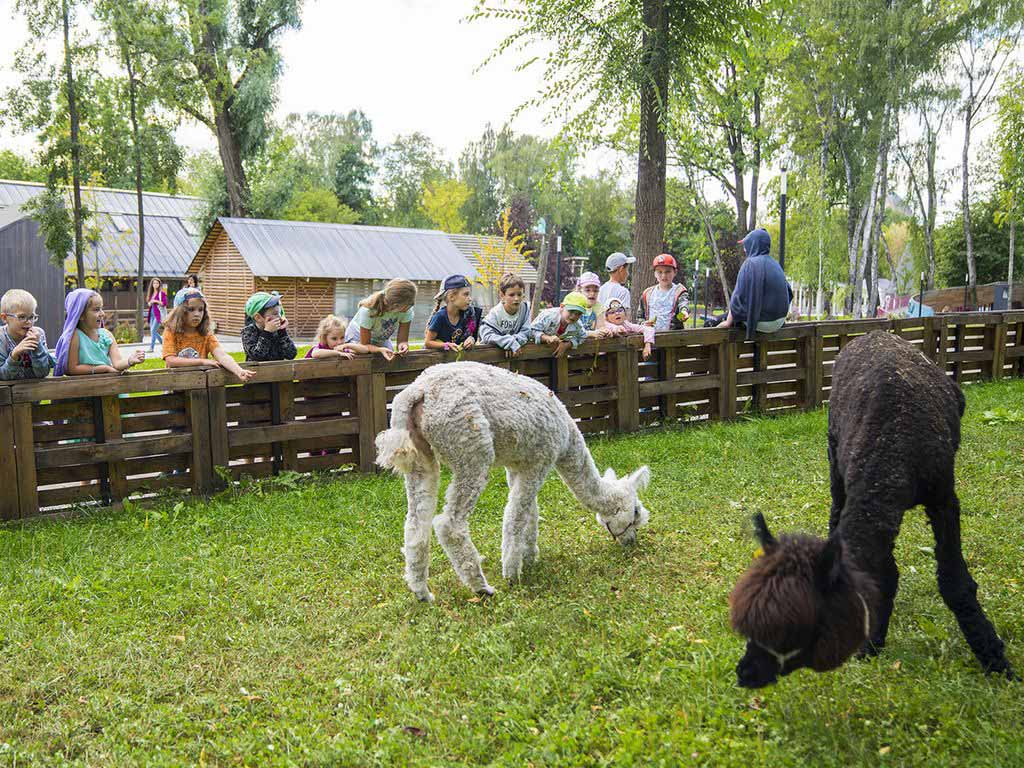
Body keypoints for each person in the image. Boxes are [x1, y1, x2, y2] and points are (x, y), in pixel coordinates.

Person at [162, 287, 255, 381]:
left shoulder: (206, 334)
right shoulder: (171, 331)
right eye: (191, 309)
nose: (197, 314)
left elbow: (222, 355)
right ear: (180, 311)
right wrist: (202, 361)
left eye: (200, 309)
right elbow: (171, 360)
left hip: (199, 383)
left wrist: (239, 371)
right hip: (175, 384)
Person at [719, 228, 793, 340]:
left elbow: (738, 297)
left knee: (720, 320)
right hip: (779, 321)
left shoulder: (749, 264)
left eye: (746, 245)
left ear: (753, 245)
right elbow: (789, 292)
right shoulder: (776, 265)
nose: (744, 249)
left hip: (762, 324)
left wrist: (727, 322)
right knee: (727, 316)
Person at [54, 289, 145, 376]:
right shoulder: (75, 336)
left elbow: (117, 363)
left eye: (101, 309)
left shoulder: (106, 335)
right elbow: (72, 369)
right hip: (85, 389)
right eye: (96, 309)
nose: (102, 314)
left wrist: (130, 361)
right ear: (81, 315)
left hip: (108, 388)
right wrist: (104, 368)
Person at [343, 278, 417, 361]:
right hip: (358, 338)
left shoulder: (406, 310)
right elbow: (365, 345)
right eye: (408, 305)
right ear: (395, 306)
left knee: (389, 359)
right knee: (363, 359)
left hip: (380, 338)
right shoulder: (368, 311)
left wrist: (403, 345)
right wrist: (379, 350)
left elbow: (402, 340)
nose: (411, 306)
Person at [0, 288, 55, 379]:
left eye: (32, 317)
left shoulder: (38, 334)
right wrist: (14, 356)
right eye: (22, 317)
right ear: (5, 318)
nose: (29, 322)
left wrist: (38, 347)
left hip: (35, 389)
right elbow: (2, 375)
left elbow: (42, 373)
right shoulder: (1, 338)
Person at [480, 272, 532, 357]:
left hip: (517, 355)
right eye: (511, 295)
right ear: (502, 295)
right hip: (493, 356)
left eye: (519, 294)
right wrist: (508, 342)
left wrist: (514, 341)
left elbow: (526, 332)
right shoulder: (495, 313)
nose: (516, 298)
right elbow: (486, 335)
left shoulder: (525, 309)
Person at [425, 274, 481, 352]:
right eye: (466, 294)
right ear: (451, 297)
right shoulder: (440, 317)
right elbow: (428, 343)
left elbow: (471, 335)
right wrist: (446, 346)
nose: (470, 299)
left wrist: (471, 339)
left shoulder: (468, 315)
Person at [636, 254, 689, 331]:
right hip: (650, 338)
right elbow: (639, 317)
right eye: (659, 272)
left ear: (675, 272)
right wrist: (643, 324)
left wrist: (683, 313)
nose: (663, 276)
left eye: (667, 272)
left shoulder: (679, 291)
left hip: (673, 339)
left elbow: (683, 304)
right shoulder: (647, 294)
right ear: (654, 273)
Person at [241, 291, 297, 362]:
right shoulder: (248, 331)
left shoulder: (277, 331)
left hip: (278, 371)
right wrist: (267, 333)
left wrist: (282, 332)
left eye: (279, 313)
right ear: (258, 317)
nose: (279, 317)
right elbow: (257, 356)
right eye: (275, 313)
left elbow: (291, 354)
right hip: (257, 372)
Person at [530, 291, 589, 358]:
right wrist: (547, 338)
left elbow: (582, 336)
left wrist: (567, 344)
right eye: (571, 311)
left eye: (579, 314)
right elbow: (531, 330)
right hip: (536, 352)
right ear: (562, 307)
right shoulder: (548, 316)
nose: (574, 316)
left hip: (556, 356)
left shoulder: (577, 325)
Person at [575, 271, 612, 339]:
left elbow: (601, 326)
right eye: (587, 290)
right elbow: (572, 330)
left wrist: (605, 331)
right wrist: (591, 333)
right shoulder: (575, 306)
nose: (592, 294)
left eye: (595, 291)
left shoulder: (598, 307)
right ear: (579, 290)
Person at [598, 252, 635, 317]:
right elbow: (625, 317)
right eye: (626, 270)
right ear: (621, 269)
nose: (627, 273)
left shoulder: (601, 289)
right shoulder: (623, 292)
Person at [145, 278, 168, 353]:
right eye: (154, 283)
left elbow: (164, 303)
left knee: (152, 330)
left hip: (158, 314)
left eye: (157, 283)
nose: (155, 285)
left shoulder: (162, 293)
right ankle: (164, 345)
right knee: (153, 331)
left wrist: (155, 301)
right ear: (152, 284)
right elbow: (149, 303)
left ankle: (151, 348)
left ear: (159, 284)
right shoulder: (151, 293)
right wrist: (150, 303)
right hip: (151, 314)